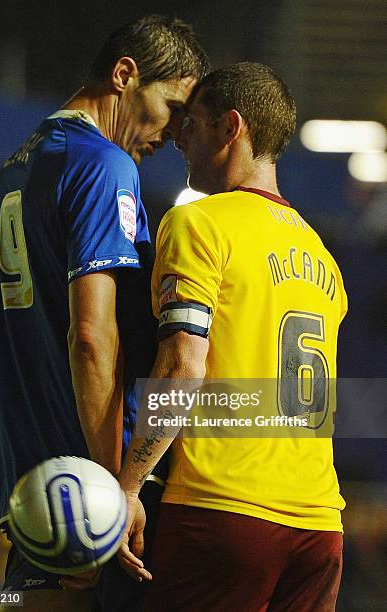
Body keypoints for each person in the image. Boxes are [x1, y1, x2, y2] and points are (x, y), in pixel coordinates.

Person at [0, 14, 209, 612]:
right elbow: (91, 336)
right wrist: (114, 494)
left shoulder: (20, 164)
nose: (178, 130)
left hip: (33, 482)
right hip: (87, 488)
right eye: (173, 106)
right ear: (124, 75)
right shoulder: (103, 164)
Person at [118, 62, 347, 611]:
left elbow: (183, 365)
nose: (178, 138)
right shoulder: (324, 257)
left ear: (231, 128)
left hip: (223, 515)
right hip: (320, 528)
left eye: (191, 124)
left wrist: (128, 486)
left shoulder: (201, 223)